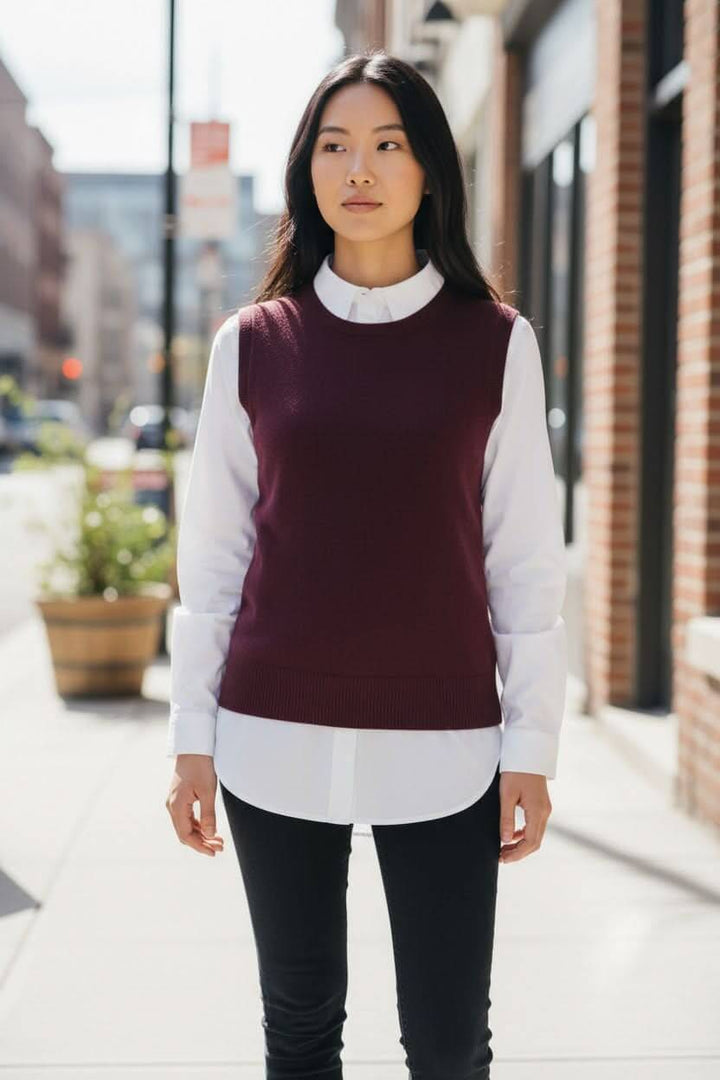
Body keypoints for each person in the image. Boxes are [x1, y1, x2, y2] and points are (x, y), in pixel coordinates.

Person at [165, 49, 567, 1080]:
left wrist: (534, 744)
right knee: (297, 1035)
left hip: (448, 747)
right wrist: (189, 739)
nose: (360, 168)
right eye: (335, 145)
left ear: (431, 169)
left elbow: (523, 559)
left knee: (446, 1045)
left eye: (389, 144)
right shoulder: (251, 344)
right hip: (268, 737)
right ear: (306, 171)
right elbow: (213, 554)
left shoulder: (496, 344)